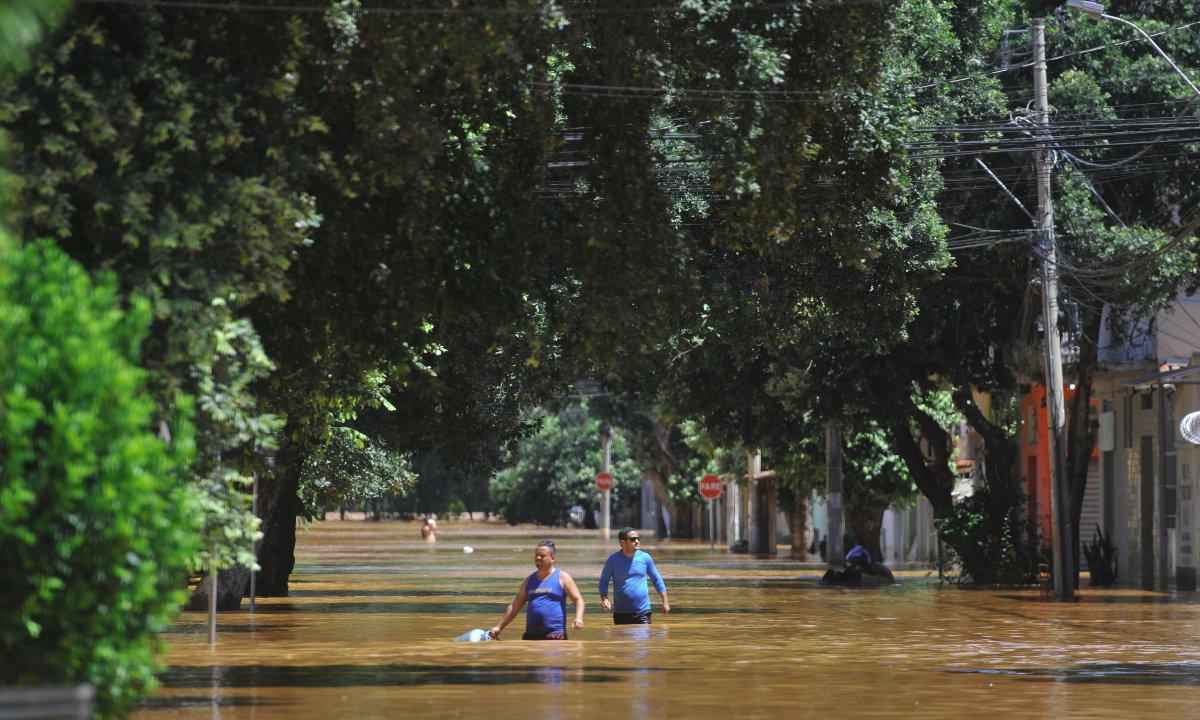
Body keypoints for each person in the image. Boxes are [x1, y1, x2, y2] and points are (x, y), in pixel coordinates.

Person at [489, 540, 585, 640]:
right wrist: (499, 627)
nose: (538, 558)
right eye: (536, 556)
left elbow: (579, 600)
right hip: (531, 635)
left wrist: (579, 618)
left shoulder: (562, 577)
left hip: (555, 634)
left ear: (552, 558)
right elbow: (514, 606)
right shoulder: (529, 580)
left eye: (542, 556)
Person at [599, 527, 670, 624]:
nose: (637, 541)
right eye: (633, 539)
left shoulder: (645, 558)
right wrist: (604, 598)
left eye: (638, 538)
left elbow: (657, 580)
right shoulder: (613, 560)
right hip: (621, 613)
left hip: (643, 612)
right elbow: (604, 581)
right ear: (622, 543)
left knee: (643, 638)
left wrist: (665, 602)